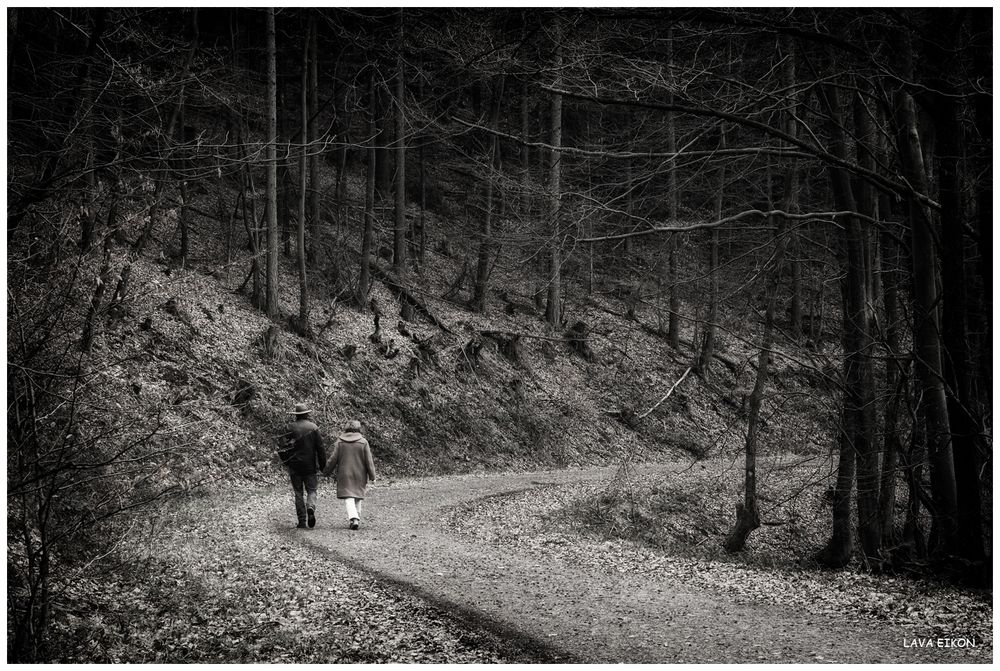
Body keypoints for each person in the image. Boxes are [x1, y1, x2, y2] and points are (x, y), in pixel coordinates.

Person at [277, 403, 326, 529]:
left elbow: (281, 448)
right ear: (307, 414)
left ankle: (302, 521)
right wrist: (322, 465)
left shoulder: (289, 428)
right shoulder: (314, 428)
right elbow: (320, 449)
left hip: (295, 466)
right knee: (312, 490)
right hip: (310, 466)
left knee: (298, 493)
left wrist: (287, 462)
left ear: (296, 415)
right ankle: (310, 507)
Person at [323, 419, 377, 530]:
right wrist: (372, 476)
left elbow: (333, 459)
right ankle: (355, 518)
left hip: (345, 474)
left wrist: (326, 471)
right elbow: (369, 461)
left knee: (349, 496)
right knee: (357, 496)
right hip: (360, 474)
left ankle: (354, 518)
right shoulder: (363, 442)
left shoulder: (340, 442)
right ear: (359, 429)